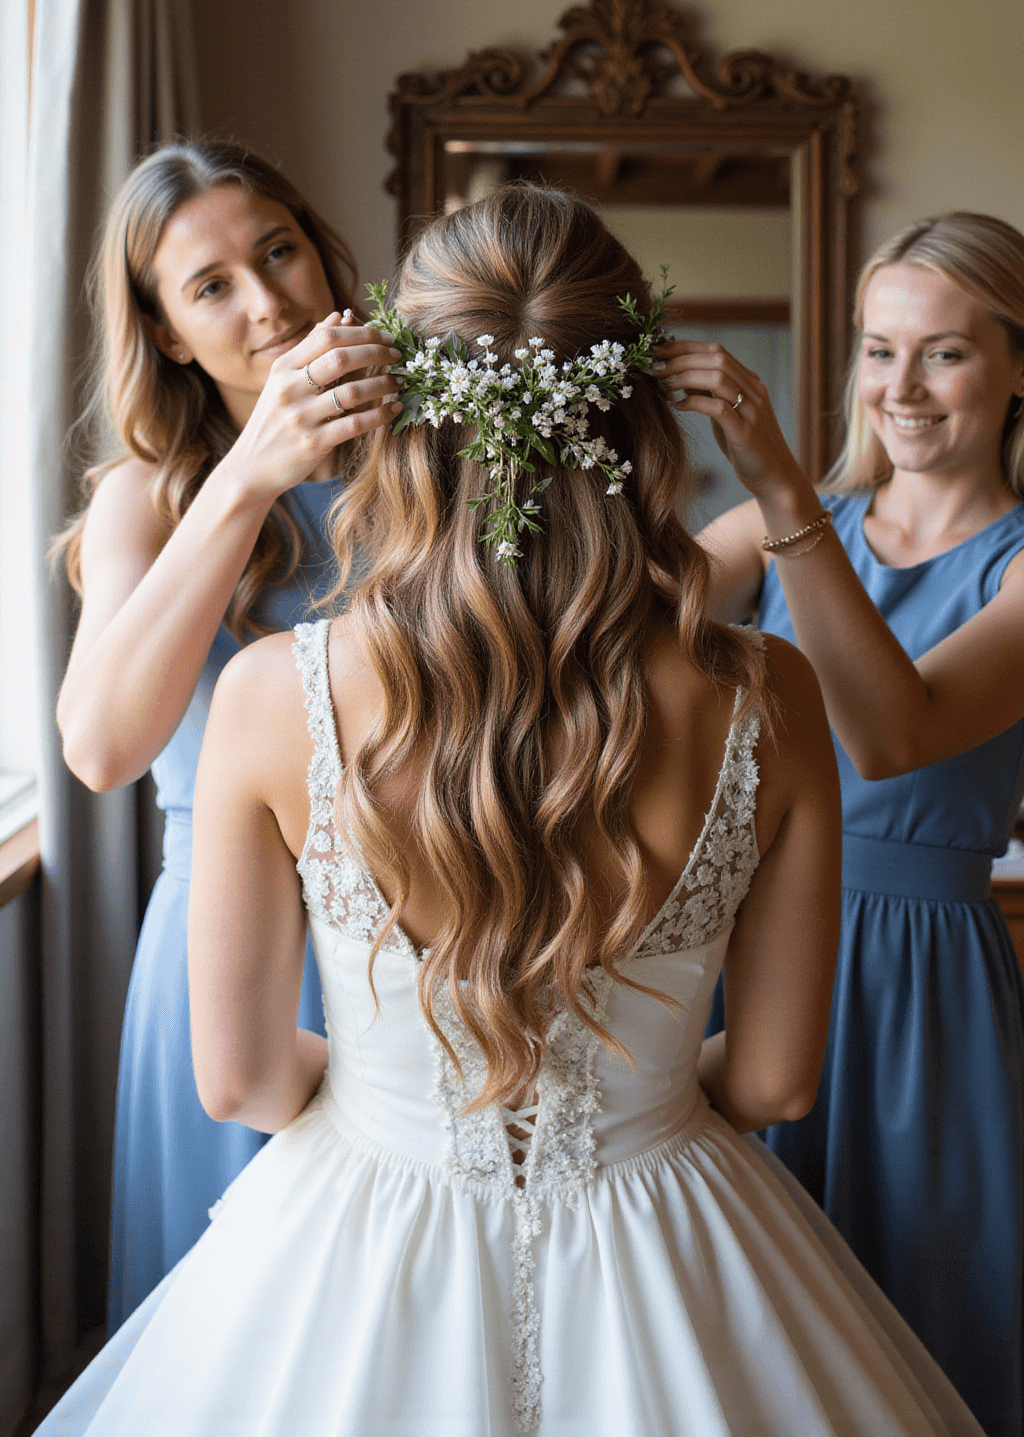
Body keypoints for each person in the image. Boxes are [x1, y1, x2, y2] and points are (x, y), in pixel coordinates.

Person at [40, 183, 982, 1436]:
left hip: (360, 1222)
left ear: (405, 399)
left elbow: (244, 1086)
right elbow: (774, 1080)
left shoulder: (273, 697)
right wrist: (634, 1110)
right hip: (671, 1215)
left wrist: (402, 1105)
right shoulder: (773, 694)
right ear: (636, 409)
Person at [657, 211, 1024, 1437]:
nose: (899, 388)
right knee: (743, 1332)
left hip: (923, 980)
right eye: (877, 351)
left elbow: (891, 734)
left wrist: (776, 491)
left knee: (926, 1300)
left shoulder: (1004, 556)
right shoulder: (790, 531)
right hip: (753, 949)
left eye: (944, 354)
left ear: (1017, 365)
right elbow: (608, 624)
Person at [55, 141, 401, 1330]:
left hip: (419, 938)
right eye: (211, 288)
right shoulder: (145, 499)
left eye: (280, 252)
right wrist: (247, 479)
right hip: (225, 956)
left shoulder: (427, 457)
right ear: (164, 333)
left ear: (321, 251)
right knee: (231, 1336)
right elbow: (101, 748)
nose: (268, 305)